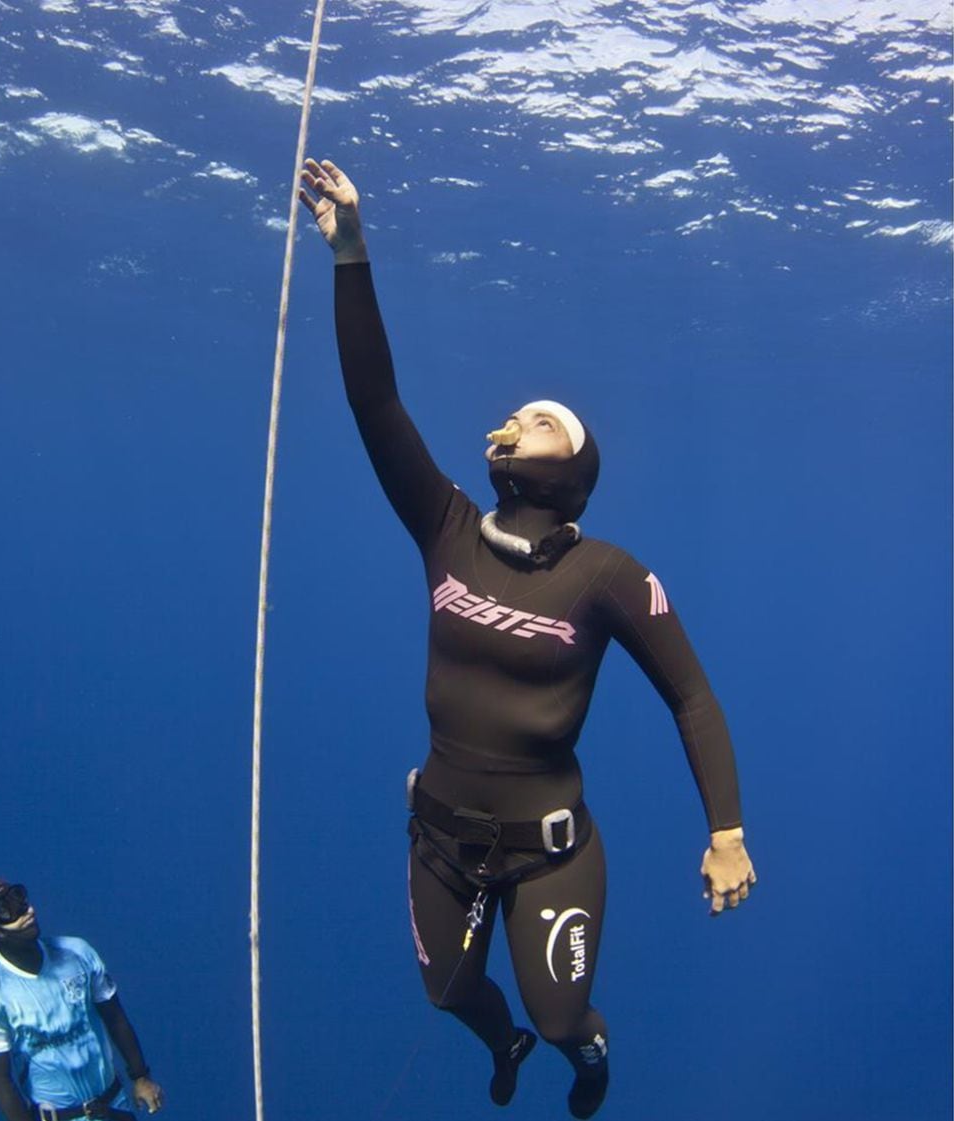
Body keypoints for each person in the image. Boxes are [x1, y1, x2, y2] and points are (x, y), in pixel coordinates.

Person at [299, 158, 757, 1118]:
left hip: (550, 851)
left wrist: (726, 832)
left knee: (561, 1019)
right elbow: (374, 403)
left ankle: (583, 1051)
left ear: (574, 469)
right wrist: (351, 254)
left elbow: (693, 697)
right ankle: (501, 1039)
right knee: (449, 991)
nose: (516, 416)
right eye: (517, 412)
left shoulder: (612, 578)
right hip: (439, 840)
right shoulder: (446, 525)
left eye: (542, 417)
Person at [0, 878, 165, 1121]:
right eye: (5, 908)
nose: (26, 911)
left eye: (20, 898)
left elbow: (116, 1018)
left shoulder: (77, 953)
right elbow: (0, 1080)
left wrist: (140, 1076)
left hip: (113, 1106)